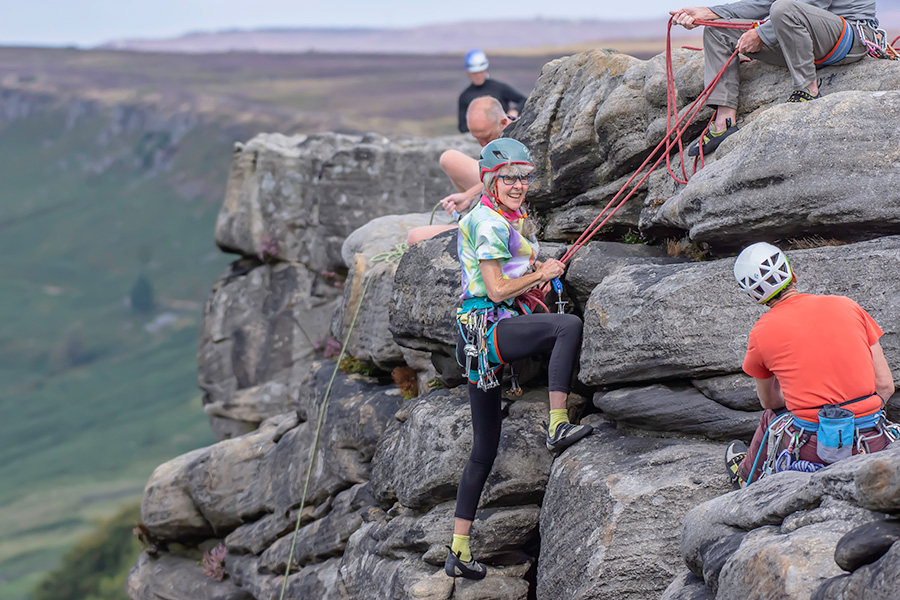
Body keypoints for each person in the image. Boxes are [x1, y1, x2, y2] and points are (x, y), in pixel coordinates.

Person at [444, 139, 593, 580]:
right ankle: (557, 423)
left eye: (524, 177)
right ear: (490, 180)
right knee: (567, 327)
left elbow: (504, 281)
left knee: (484, 450)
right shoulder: (489, 223)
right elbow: (493, 289)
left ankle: (458, 549)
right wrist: (541, 274)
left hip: (477, 342)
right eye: (509, 177)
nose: (518, 186)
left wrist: (531, 280)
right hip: (489, 329)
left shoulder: (499, 217)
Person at [725, 242, 897, 489]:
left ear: (754, 296)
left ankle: (745, 478)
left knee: (770, 418)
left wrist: (805, 397)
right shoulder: (847, 305)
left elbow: (770, 402)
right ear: (791, 272)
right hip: (871, 441)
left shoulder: (761, 332)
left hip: (813, 449)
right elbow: (885, 386)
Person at [670, 1, 880, 156]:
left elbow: (808, 4)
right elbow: (763, 3)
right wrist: (709, 13)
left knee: (784, 8)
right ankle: (724, 123)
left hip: (849, 38)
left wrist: (761, 34)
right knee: (718, 31)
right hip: (806, 38)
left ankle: (808, 91)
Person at [407, 97, 512, 245]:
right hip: (493, 189)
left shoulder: (518, 144)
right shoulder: (503, 129)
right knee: (448, 158)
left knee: (415, 237)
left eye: (486, 137)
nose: (482, 145)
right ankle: (469, 212)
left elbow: (507, 178)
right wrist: (467, 197)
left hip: (502, 214)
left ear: (503, 122)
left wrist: (469, 196)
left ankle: (469, 222)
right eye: (477, 138)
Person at [458, 49, 527, 133]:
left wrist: (514, 111)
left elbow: (523, 100)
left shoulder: (499, 88)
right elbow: (462, 127)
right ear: (468, 72)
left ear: (485, 69)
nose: (478, 75)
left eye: (481, 72)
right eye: (474, 73)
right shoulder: (465, 96)